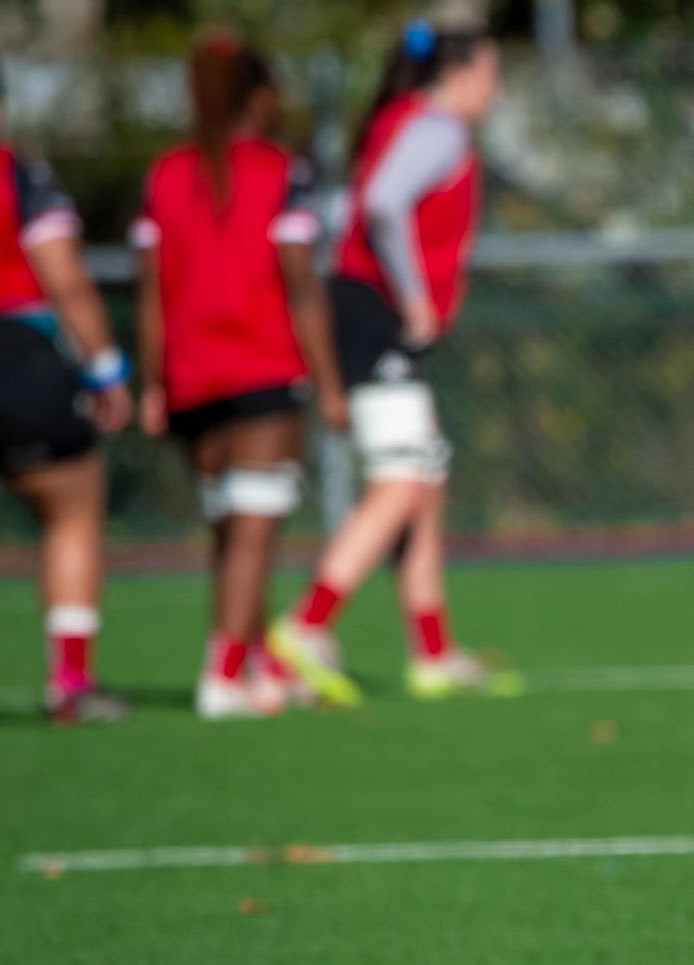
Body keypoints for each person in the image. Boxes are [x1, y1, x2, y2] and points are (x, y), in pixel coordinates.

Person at [269, 22, 510, 706]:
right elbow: (380, 206)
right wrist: (413, 293)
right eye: (491, 75)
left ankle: (433, 652)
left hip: (366, 307)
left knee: (426, 479)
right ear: (459, 75)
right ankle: (307, 626)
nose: (494, 90)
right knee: (403, 477)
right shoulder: (438, 129)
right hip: (378, 310)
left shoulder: (403, 121)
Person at [134, 34, 347, 720]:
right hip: (261, 368)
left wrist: (152, 383)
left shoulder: (165, 175)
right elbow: (301, 283)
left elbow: (149, 293)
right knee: (254, 531)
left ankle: (256, 665)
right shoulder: (280, 172)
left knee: (232, 530)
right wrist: (331, 381)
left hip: (191, 373)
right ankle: (223, 671)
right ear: (260, 96)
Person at [0, 55, 132, 723]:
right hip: (18, 356)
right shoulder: (18, 175)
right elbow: (66, 281)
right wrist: (107, 371)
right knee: (72, 508)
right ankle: (70, 680)